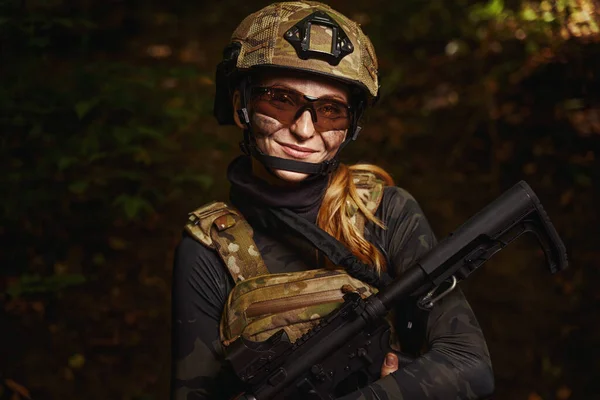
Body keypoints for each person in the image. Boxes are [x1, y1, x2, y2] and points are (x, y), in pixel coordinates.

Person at [170, 2, 494, 399]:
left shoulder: (384, 212)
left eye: (329, 111)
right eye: (281, 100)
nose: (304, 130)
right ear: (242, 104)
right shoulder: (209, 250)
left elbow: (470, 363)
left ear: (351, 124)